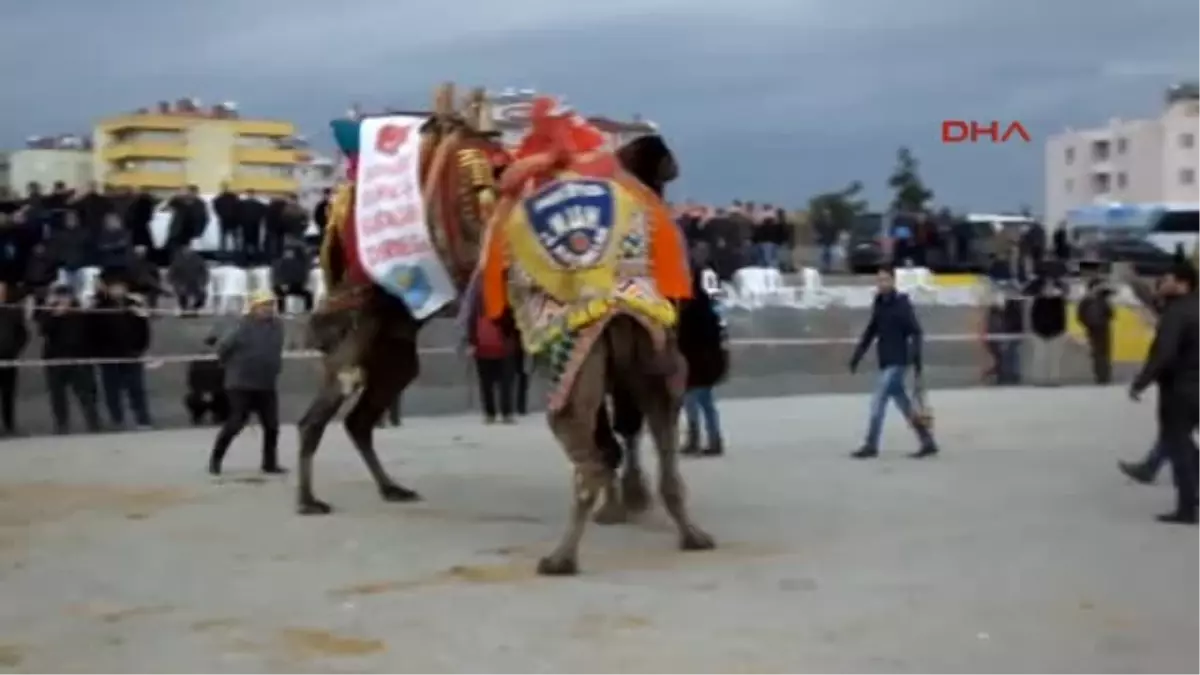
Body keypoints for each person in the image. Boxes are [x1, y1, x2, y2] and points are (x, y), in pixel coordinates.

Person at [1129, 261, 1200, 524]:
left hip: (1182, 390)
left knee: (1178, 444)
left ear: (1182, 283)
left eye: (1167, 279)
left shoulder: (1177, 312)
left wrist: (1141, 382)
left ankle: (1187, 509)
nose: (1162, 283)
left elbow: (1164, 353)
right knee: (1183, 444)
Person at [848, 266, 939, 458]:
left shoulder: (902, 304)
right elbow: (871, 330)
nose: (882, 284)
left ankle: (871, 444)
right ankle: (927, 441)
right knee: (904, 404)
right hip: (885, 360)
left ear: (893, 281)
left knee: (878, 401)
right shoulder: (879, 302)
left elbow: (916, 331)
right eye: (879, 280)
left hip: (899, 361)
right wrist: (858, 355)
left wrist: (916, 359)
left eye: (885, 280)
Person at [207, 290, 286, 475]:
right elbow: (222, 348)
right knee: (236, 423)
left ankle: (269, 463)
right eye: (264, 305)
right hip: (240, 383)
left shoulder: (278, 326)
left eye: (271, 305)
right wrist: (233, 366)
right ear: (253, 307)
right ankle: (216, 459)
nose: (268, 309)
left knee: (272, 426)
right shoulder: (241, 326)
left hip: (266, 383)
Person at [679, 244, 730, 457]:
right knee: (703, 396)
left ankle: (697, 438)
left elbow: (710, 307)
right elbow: (717, 307)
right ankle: (711, 438)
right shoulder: (706, 277)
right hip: (704, 342)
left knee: (694, 393)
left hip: (697, 343)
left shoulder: (699, 277)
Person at [92, 272, 153, 429]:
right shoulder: (100, 307)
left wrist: (141, 348)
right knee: (112, 391)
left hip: (132, 354)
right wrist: (99, 352)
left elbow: (144, 328)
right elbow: (92, 332)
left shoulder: (134, 305)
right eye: (114, 287)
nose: (118, 290)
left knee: (136, 389)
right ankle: (117, 420)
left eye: (121, 287)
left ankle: (143, 419)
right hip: (109, 356)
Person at [37, 285, 102, 434]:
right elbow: (42, 331)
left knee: (86, 393)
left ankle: (94, 423)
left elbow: (93, 331)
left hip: (79, 358)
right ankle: (62, 425)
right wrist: (54, 315)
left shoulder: (81, 312)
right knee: (57, 396)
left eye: (66, 296)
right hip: (55, 359)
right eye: (60, 296)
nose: (63, 300)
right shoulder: (49, 313)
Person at [468, 304, 518, 424]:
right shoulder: (477, 306)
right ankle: (490, 413)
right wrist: (472, 342)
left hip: (503, 350)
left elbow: (513, 327)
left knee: (505, 385)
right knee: (486, 385)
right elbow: (471, 325)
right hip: (483, 350)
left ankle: (505, 413)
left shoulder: (505, 307)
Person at [1024, 263, 1069, 385]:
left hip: (1055, 331)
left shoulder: (1058, 299)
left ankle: (1053, 379)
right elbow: (1032, 315)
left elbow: (1063, 315)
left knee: (1054, 358)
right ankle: (1040, 379)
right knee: (1040, 357)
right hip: (1040, 331)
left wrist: (1062, 329)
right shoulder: (1038, 298)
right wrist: (1033, 329)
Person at [0, 281, 28, 436]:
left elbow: (23, 334)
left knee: (8, 396)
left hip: (9, 359)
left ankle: (9, 426)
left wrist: (15, 351)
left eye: (1, 291)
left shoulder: (13, 311)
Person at [1076, 276, 1114, 384]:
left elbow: (1111, 314)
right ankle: (1101, 377)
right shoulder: (1086, 301)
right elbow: (1080, 316)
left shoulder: (1102, 299)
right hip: (1094, 329)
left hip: (1103, 328)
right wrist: (1088, 324)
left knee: (1104, 353)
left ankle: (1104, 376)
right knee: (1098, 353)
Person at [185, 336, 230, 426]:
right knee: (193, 399)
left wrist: (214, 391)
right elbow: (193, 380)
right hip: (203, 393)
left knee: (227, 398)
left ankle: (220, 416)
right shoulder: (198, 362)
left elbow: (227, 379)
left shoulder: (223, 361)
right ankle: (199, 416)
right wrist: (203, 392)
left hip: (219, 393)